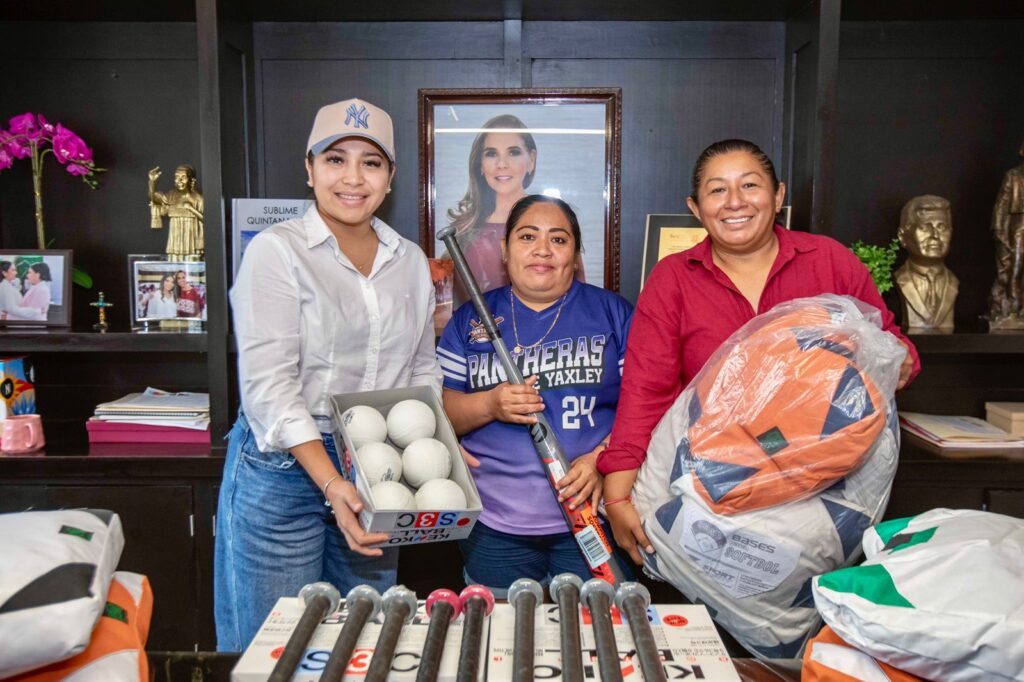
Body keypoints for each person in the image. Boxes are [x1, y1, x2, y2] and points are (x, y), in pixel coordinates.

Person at [597, 138, 920, 565]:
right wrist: (618, 497)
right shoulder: (673, 279)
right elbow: (646, 391)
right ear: (695, 207)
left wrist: (889, 361)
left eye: (750, 185)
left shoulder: (830, 262)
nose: (735, 202)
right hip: (715, 487)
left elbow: (895, 352)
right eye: (717, 190)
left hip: (824, 489)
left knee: (809, 613)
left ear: (778, 195)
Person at [215, 98, 442, 651]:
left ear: (390, 178)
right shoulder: (277, 252)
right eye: (336, 159)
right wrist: (333, 482)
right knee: (277, 648)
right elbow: (270, 386)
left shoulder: (409, 259)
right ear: (309, 167)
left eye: (371, 162)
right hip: (282, 467)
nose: (352, 178)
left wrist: (435, 437)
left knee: (362, 643)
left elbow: (419, 366)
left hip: (375, 459)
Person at [438, 195, 632, 594]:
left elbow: (644, 408)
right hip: (495, 525)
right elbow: (440, 415)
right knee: (498, 640)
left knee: (593, 638)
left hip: (592, 516)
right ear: (505, 250)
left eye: (559, 240)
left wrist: (603, 458)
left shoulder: (613, 313)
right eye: (528, 236)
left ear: (575, 254)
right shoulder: (469, 320)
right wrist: (489, 404)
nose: (543, 249)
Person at [443, 114, 584, 305]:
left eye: (513, 152)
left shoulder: (558, 222)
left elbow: (579, 300)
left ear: (531, 160)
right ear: (481, 165)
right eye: (492, 153)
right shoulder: (462, 234)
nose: (502, 164)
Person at [894, 195, 958, 331]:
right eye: (924, 227)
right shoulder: (900, 278)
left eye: (942, 227)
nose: (935, 235)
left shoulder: (954, 282)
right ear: (902, 236)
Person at [989, 141, 1024, 321]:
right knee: (1015, 264)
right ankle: (1012, 302)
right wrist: (997, 227)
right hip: (1018, 224)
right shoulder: (1013, 175)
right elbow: (1001, 204)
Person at [149, 164, 204, 260]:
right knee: (173, 264)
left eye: (183, 177)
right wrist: (152, 182)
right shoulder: (171, 195)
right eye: (177, 177)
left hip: (190, 241)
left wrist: (191, 209)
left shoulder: (198, 199)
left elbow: (206, 220)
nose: (179, 181)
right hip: (175, 240)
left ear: (191, 180)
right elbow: (153, 198)